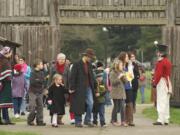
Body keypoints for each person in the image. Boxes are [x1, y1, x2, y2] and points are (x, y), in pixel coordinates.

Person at [70, 48, 96, 128]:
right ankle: (78, 121)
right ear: (86, 56)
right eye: (90, 57)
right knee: (78, 104)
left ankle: (87, 120)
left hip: (88, 87)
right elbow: (73, 76)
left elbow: (91, 76)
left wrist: (95, 86)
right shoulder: (77, 64)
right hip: (79, 87)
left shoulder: (89, 65)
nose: (90, 59)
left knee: (91, 103)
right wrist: (72, 87)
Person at [153, 44, 172, 126]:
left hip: (161, 82)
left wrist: (155, 83)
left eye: (158, 52)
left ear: (160, 53)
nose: (157, 53)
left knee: (161, 100)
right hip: (167, 81)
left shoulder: (160, 62)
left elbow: (159, 74)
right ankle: (166, 119)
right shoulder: (167, 61)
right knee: (166, 101)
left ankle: (160, 119)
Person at [49, 53, 70, 125]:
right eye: (60, 59)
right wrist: (48, 87)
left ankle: (59, 119)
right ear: (57, 59)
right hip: (55, 88)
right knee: (54, 104)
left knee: (62, 104)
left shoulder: (67, 67)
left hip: (63, 88)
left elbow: (69, 78)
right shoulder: (53, 67)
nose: (61, 60)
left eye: (63, 59)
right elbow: (50, 78)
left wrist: (69, 87)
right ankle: (53, 119)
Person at [27, 59, 46, 126]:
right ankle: (30, 120)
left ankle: (39, 121)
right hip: (33, 92)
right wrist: (39, 80)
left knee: (40, 106)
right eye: (41, 64)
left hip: (40, 92)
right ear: (37, 65)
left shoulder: (42, 73)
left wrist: (38, 80)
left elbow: (43, 81)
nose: (42, 65)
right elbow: (32, 82)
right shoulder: (32, 73)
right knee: (33, 107)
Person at [119, 52, 135, 126]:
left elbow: (132, 76)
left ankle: (130, 120)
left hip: (129, 86)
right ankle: (124, 120)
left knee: (130, 103)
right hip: (122, 87)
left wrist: (130, 75)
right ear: (123, 58)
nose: (128, 58)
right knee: (122, 104)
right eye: (126, 57)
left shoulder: (129, 66)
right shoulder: (120, 65)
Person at [110, 59, 127, 127]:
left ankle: (123, 121)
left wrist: (124, 77)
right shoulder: (112, 72)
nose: (122, 66)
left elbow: (125, 82)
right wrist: (119, 77)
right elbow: (113, 83)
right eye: (121, 65)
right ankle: (113, 120)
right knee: (116, 107)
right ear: (117, 65)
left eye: (122, 65)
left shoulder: (122, 72)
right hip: (115, 93)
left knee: (122, 107)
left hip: (122, 92)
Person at [0, 46, 14, 125]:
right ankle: (5, 119)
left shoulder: (6, 60)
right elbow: (5, 74)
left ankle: (6, 119)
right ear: (7, 53)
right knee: (2, 102)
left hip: (6, 84)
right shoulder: (3, 61)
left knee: (4, 102)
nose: (11, 54)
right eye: (10, 52)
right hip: (3, 84)